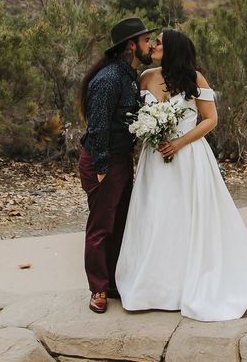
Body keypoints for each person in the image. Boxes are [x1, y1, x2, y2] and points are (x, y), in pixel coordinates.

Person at [115, 29, 247, 322]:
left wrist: (178, 142)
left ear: (173, 48)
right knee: (156, 216)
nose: (153, 46)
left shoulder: (195, 79)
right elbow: (138, 115)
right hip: (154, 159)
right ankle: (154, 287)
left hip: (187, 157)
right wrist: (149, 133)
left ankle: (189, 284)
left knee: (189, 217)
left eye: (159, 42)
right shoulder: (146, 77)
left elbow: (211, 119)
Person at [77, 16, 156, 314]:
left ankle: (112, 283)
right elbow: (96, 125)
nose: (149, 45)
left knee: (121, 222)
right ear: (130, 45)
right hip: (104, 161)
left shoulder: (130, 76)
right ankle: (98, 288)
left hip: (122, 160)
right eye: (146, 40)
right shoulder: (109, 78)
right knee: (101, 226)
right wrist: (101, 166)